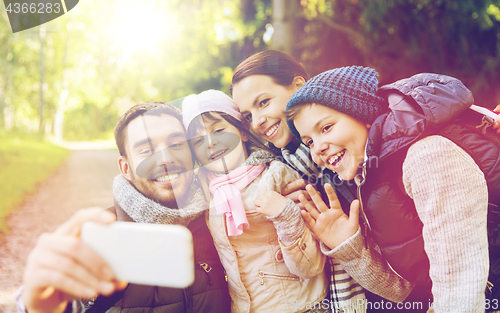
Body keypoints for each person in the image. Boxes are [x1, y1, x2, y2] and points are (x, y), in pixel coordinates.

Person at [285, 66, 497, 313]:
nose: (317, 148)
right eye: (309, 141)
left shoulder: (427, 156)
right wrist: (350, 249)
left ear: (362, 115)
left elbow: (461, 286)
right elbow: (403, 290)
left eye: (326, 128)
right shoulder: (371, 179)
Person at [230, 50, 416, 311]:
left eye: (263, 102)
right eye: (248, 115)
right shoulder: (278, 173)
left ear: (298, 86)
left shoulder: (353, 146)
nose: (258, 121)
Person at [18, 102, 231, 313]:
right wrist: (36, 307)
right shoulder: (98, 238)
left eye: (176, 145)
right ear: (126, 168)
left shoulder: (225, 220)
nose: (165, 159)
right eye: (147, 150)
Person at [181, 90, 331, 312]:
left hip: (300, 306)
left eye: (219, 130)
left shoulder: (276, 176)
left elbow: (312, 267)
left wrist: (287, 216)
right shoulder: (202, 190)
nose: (210, 144)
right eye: (198, 140)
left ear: (242, 132)